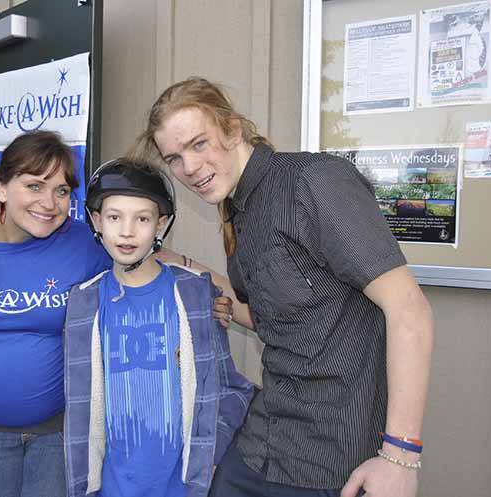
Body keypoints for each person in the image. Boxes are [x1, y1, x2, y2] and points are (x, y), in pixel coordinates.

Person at [130, 77, 434, 497]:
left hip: (332, 456)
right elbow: (270, 317)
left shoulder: (314, 181)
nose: (189, 168)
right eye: (175, 158)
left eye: (199, 144)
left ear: (233, 129)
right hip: (265, 439)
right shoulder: (236, 211)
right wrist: (181, 266)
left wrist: (400, 457)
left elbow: (409, 310)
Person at [0, 130, 234, 497]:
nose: (49, 203)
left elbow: (140, 262)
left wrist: (204, 299)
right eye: (35, 186)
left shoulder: (83, 243)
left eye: (61, 191)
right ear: (2, 188)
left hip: (60, 433)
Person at [63, 158, 254, 497]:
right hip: (111, 486)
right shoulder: (84, 303)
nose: (126, 230)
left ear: (161, 225)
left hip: (181, 484)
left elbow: (232, 389)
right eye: (114, 217)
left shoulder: (195, 296)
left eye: (142, 218)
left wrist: (210, 451)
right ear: (96, 220)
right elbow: (80, 403)